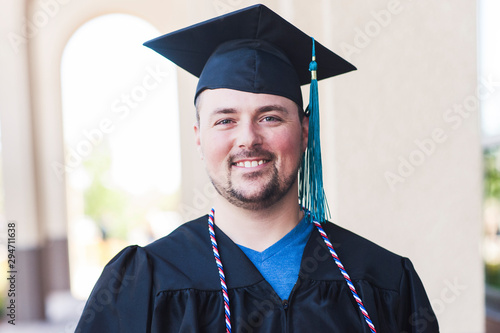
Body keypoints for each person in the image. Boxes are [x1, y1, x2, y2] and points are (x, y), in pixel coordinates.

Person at [75, 4, 439, 332]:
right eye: (225, 121)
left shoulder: (384, 282)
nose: (248, 139)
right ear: (199, 137)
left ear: (305, 131)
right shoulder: (145, 285)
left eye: (269, 117)